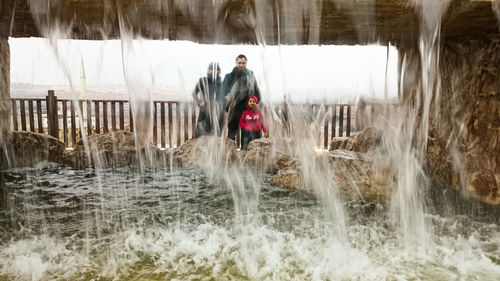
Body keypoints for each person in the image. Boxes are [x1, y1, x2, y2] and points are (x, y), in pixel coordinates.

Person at [222, 54, 261, 141]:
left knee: (247, 133)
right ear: (236, 63)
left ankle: (245, 152)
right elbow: (222, 92)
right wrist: (226, 97)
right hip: (234, 108)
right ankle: (230, 152)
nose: (241, 65)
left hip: (247, 109)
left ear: (246, 63)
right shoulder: (229, 77)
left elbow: (257, 93)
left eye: (243, 63)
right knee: (231, 132)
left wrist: (256, 104)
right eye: (239, 63)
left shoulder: (251, 77)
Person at [192, 62, 224, 138]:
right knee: (201, 131)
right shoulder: (203, 81)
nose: (214, 71)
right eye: (211, 69)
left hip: (217, 111)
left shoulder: (221, 82)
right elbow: (194, 93)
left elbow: (223, 96)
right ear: (208, 70)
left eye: (216, 69)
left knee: (216, 133)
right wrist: (199, 102)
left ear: (219, 71)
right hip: (205, 110)